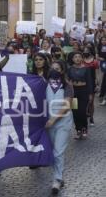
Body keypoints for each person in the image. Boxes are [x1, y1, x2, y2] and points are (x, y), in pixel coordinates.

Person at [45, 61, 74, 194]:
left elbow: (67, 105)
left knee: (58, 151)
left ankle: (57, 179)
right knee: (54, 151)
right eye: (52, 68)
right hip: (49, 123)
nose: (54, 70)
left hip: (63, 122)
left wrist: (53, 119)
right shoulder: (44, 84)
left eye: (57, 68)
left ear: (62, 71)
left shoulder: (67, 85)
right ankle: (59, 175)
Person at [67, 52, 93, 139]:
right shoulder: (70, 69)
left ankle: (84, 128)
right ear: (72, 59)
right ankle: (78, 129)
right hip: (74, 92)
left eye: (79, 57)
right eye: (75, 57)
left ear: (82, 58)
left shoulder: (86, 68)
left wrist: (90, 94)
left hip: (84, 91)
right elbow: (68, 81)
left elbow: (89, 82)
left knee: (82, 111)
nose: (77, 58)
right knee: (75, 112)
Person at [83, 47, 99, 126]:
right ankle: (84, 115)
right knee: (84, 101)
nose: (85, 52)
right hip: (83, 82)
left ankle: (91, 118)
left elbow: (96, 74)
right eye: (84, 51)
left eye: (87, 51)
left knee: (91, 101)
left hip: (92, 83)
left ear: (90, 52)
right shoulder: (81, 61)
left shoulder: (95, 62)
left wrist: (97, 83)